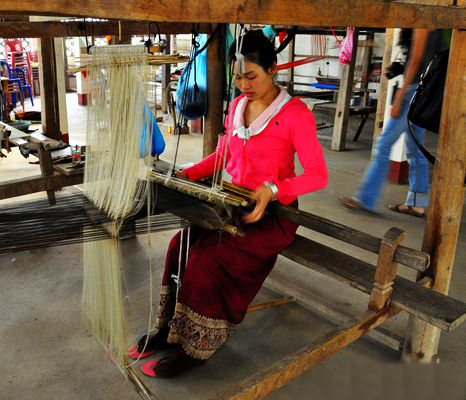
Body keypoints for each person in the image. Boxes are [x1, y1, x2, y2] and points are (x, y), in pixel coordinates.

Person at [128, 30, 328, 378]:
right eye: (238, 76)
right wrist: (187, 174)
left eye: (252, 76)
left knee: (209, 262)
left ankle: (196, 347)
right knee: (180, 246)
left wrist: (272, 189)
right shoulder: (237, 107)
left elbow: (318, 175)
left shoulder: (295, 114)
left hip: (271, 215)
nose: (243, 84)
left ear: (273, 69)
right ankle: (168, 330)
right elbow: (223, 156)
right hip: (230, 205)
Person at [340, 29, 447, 217]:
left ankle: (365, 199)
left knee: (383, 145)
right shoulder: (431, 22)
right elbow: (419, 60)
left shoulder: (422, 21)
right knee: (415, 149)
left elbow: (416, 60)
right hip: (421, 90)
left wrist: (400, 96)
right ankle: (417, 203)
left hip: (413, 91)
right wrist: (399, 68)